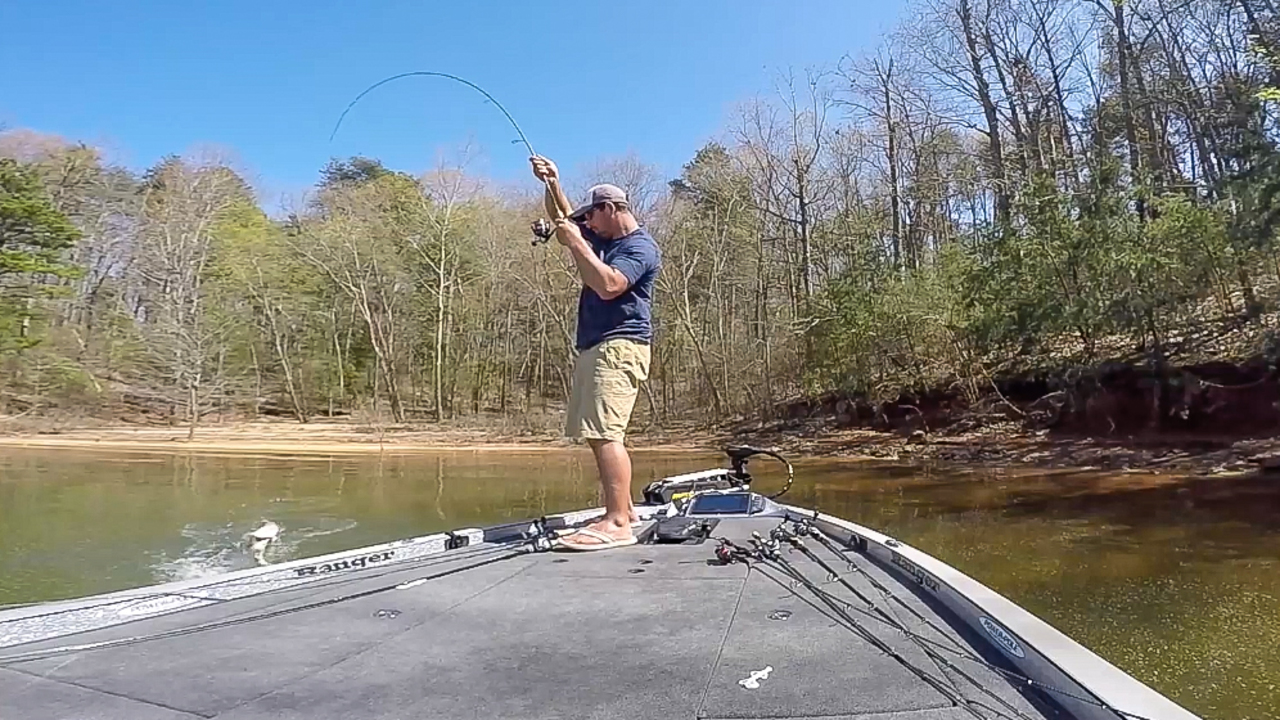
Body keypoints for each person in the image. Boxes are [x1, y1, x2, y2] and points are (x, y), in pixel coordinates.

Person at [529, 155, 661, 551]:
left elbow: (609, 285)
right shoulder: (605, 238)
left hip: (620, 346)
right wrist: (551, 182)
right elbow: (565, 217)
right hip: (596, 346)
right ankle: (625, 509)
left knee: (607, 434)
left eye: (593, 217)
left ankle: (618, 522)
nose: (587, 224)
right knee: (596, 433)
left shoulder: (639, 247)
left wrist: (576, 245)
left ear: (610, 209)